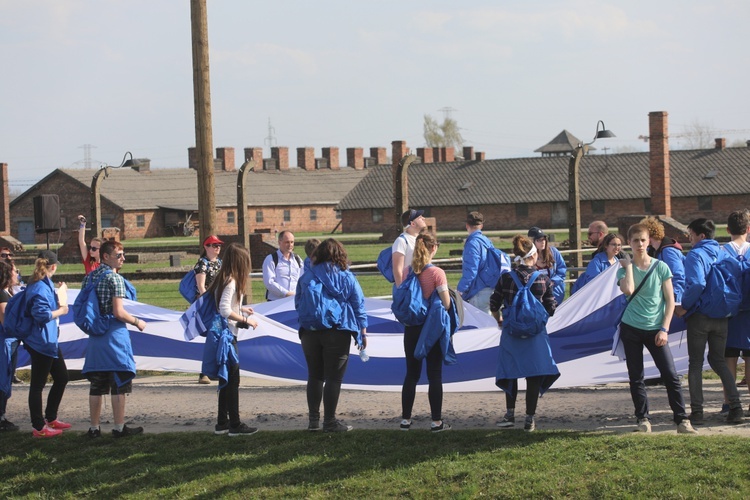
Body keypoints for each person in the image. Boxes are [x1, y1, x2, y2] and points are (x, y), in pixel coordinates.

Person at [616, 224, 696, 434]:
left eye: (643, 240)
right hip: (631, 328)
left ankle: (682, 420)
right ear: (629, 243)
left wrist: (664, 329)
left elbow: (670, 302)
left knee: (670, 375)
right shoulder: (624, 269)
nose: (640, 244)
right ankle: (643, 419)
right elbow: (629, 289)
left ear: (649, 240)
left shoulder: (661, 267)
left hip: (656, 329)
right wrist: (629, 267)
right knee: (636, 377)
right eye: (635, 241)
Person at [675, 218, 744, 425]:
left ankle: (697, 412)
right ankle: (736, 407)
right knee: (718, 361)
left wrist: (684, 305)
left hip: (700, 316)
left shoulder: (696, 254)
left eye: (690, 234)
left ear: (700, 236)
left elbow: (696, 284)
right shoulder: (724, 252)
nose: (689, 238)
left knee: (695, 363)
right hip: (723, 315)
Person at [295, 238, 367, 432]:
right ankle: (330, 422)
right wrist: (363, 330)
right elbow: (358, 304)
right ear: (339, 254)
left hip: (310, 332)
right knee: (334, 379)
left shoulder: (307, 276)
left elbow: (298, 303)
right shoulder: (346, 276)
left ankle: (313, 421)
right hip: (338, 330)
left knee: (315, 376)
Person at [490, 235, 559, 432]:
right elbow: (551, 309)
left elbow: (494, 304)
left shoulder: (505, 278)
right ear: (534, 254)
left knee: (510, 371)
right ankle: (530, 419)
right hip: (536, 335)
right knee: (534, 375)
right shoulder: (544, 279)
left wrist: (499, 321)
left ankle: (510, 415)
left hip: (511, 332)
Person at [81, 240, 146, 438]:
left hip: (95, 338)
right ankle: (119, 427)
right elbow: (119, 312)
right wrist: (137, 321)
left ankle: (94, 428)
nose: (123, 258)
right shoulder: (115, 279)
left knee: (97, 385)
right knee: (119, 382)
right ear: (106, 256)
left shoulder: (90, 277)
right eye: (119, 255)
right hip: (114, 336)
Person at [204, 242, 259, 436]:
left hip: (222, 336)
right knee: (233, 381)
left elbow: (224, 304)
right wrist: (245, 319)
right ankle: (235, 424)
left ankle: (222, 422)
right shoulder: (233, 281)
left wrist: (241, 308)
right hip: (228, 337)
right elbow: (225, 310)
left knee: (225, 380)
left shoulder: (223, 278)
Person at [400, 233, 452, 432]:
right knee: (434, 375)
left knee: (411, 375)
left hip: (411, 328)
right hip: (432, 329)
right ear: (433, 248)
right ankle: (436, 421)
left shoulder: (408, 272)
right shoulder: (437, 273)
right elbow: (446, 303)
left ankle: (405, 419)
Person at [23, 250, 71, 438]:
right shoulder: (39, 287)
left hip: (48, 340)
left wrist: (60, 293)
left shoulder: (42, 283)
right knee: (37, 385)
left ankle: (50, 417)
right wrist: (62, 310)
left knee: (62, 377)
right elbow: (41, 315)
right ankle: (38, 427)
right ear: (53, 266)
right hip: (41, 342)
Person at [721, 210, 750, 415]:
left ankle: (730, 402)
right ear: (748, 229)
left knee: (728, 358)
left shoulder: (721, 251)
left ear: (728, 229)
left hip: (728, 313)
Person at [457, 211, 508, 314]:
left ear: (467, 225)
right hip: (491, 288)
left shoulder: (472, 244)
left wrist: (460, 290)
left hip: (479, 291)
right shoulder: (486, 241)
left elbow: (471, 271)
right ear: (481, 225)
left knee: (481, 328)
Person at [194, 235, 224, 385]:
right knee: (212, 337)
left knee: (220, 337)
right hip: (210, 306)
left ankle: (215, 370)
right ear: (206, 247)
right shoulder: (202, 263)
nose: (217, 247)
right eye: (213, 245)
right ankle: (205, 372)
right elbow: (201, 287)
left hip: (220, 304)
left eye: (218, 245)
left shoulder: (221, 263)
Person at [641, 216, 686, 303]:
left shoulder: (668, 251)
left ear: (648, 235)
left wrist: (674, 299)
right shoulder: (652, 250)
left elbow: (678, 276)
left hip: (673, 300)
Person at [0, 261, 20, 431]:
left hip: (11, 342)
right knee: (3, 378)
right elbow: (6, 321)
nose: (17, 274)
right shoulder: (2, 295)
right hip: (5, 342)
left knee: (6, 377)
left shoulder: (8, 293)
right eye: (15, 271)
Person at [528, 227, 567, 306]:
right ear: (532, 242)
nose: (543, 242)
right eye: (539, 240)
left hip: (554, 294)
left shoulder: (554, 252)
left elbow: (562, 271)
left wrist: (552, 282)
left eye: (544, 239)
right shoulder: (528, 256)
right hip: (536, 296)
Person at [263, 230, 303, 301]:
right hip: (276, 302)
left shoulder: (297, 259)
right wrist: (286, 293)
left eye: (292, 242)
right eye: (287, 242)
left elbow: (302, 279)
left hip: (294, 301)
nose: (290, 245)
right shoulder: (271, 259)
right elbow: (269, 282)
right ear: (279, 242)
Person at [392, 209, 427, 287]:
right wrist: (401, 290)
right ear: (413, 224)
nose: (423, 218)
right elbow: (397, 269)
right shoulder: (401, 241)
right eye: (420, 217)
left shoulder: (420, 239)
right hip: (409, 286)